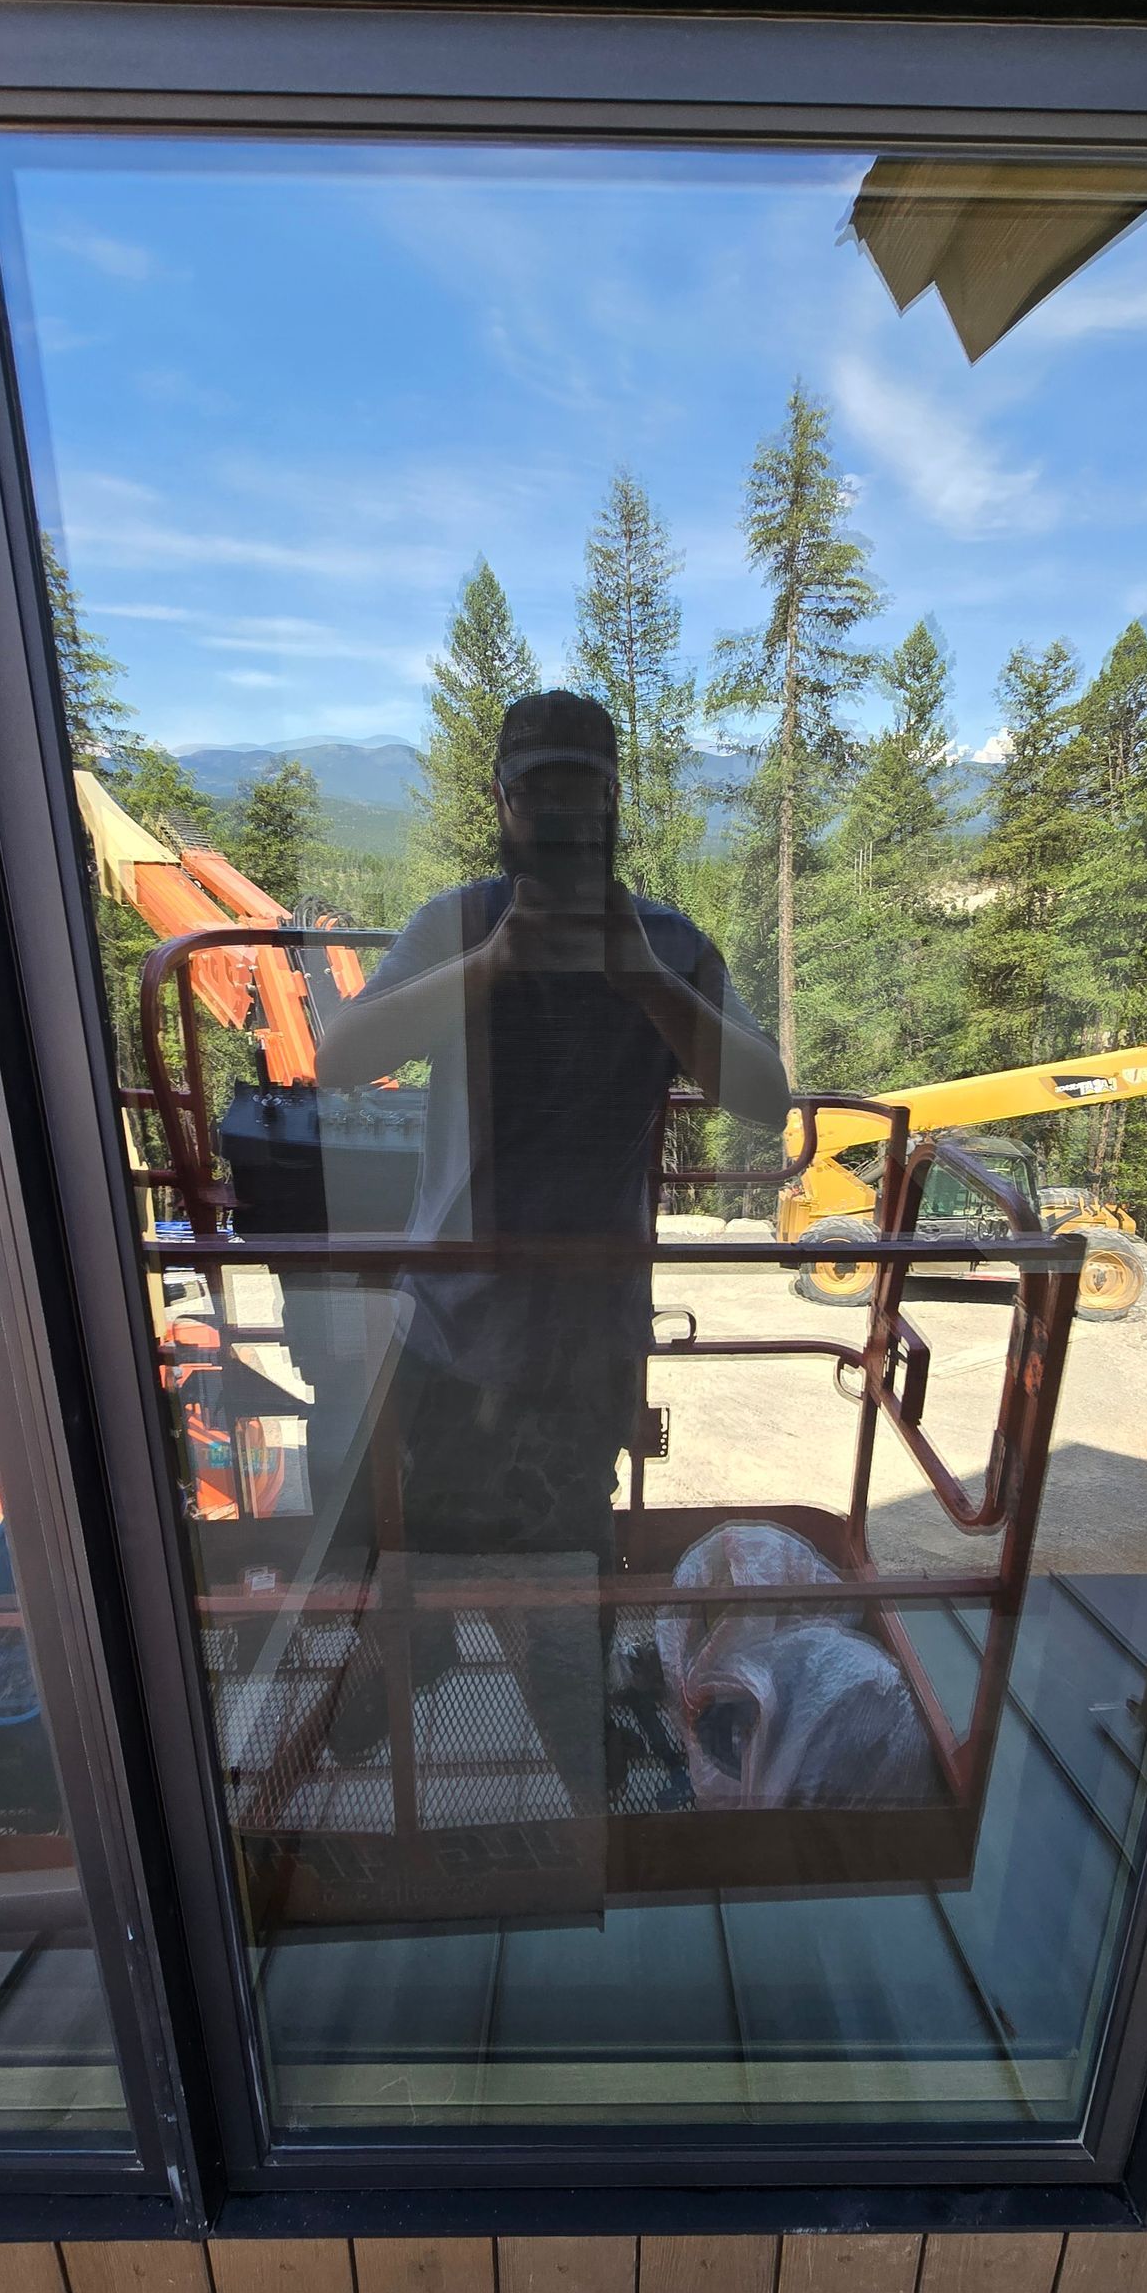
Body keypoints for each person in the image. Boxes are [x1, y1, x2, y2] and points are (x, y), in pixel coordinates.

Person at [313, 687, 789, 1756]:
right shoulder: (460, 924)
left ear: (618, 805)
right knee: (408, 1552)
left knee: (564, 1566)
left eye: (584, 798)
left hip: (582, 1344)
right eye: (541, 798)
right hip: (453, 1329)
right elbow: (340, 1059)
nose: (563, 826)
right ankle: (412, 1670)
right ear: (502, 801)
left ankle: (564, 1750)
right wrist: (493, 968)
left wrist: (645, 982)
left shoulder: (669, 944)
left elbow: (767, 1097)